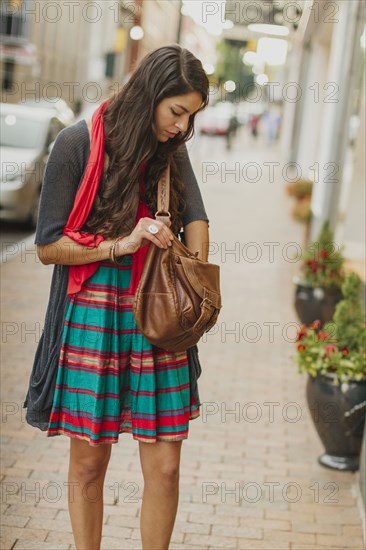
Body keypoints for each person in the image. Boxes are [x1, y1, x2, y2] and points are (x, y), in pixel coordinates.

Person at [24, 45, 210, 550]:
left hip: (159, 310)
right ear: (151, 93)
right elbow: (47, 247)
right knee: (89, 461)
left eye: (190, 117)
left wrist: (194, 272)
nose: (181, 126)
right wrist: (120, 244)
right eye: (177, 112)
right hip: (93, 311)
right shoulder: (75, 145)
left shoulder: (171, 151)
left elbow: (196, 216)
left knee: (166, 466)